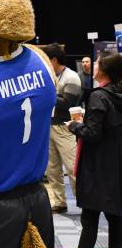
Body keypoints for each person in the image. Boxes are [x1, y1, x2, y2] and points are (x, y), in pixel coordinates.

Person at [55, 50, 122, 248]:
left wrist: (74, 125)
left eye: (96, 63)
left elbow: (92, 134)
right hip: (115, 166)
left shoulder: (98, 97)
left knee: (90, 220)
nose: (91, 64)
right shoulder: (117, 95)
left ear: (103, 70)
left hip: (97, 168)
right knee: (115, 218)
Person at [41, 43, 81, 213]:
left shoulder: (71, 77)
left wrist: (47, 91)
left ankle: (84, 201)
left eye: (46, 60)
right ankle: (60, 202)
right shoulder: (49, 76)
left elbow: (67, 103)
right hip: (48, 126)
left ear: (54, 60)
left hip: (65, 128)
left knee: (72, 168)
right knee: (52, 168)